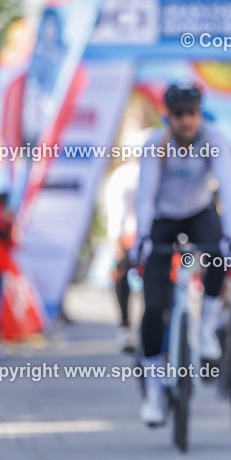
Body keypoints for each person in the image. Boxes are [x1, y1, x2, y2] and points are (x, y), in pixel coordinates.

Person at [131, 82, 231, 426]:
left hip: (198, 212)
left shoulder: (214, 139)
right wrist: (141, 236)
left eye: (192, 113)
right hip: (163, 218)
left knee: (219, 253)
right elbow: (145, 195)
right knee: (152, 308)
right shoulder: (156, 145)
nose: (186, 121)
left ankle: (208, 327)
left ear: (199, 113)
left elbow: (228, 187)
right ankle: (153, 393)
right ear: (169, 116)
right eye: (179, 115)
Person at [104, 135, 142, 353]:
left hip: (151, 233)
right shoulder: (124, 176)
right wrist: (117, 243)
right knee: (121, 274)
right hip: (128, 235)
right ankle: (125, 325)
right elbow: (116, 212)